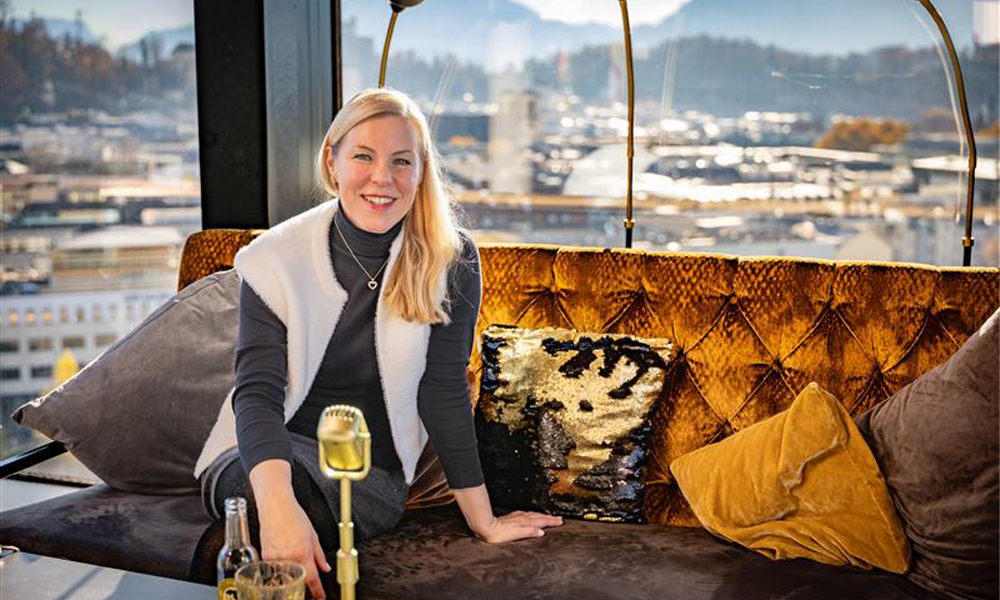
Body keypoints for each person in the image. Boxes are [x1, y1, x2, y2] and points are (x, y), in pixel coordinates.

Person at [194, 87, 562, 599]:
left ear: (421, 170)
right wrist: (279, 511)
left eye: (401, 161)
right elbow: (255, 394)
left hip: (367, 473)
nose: (382, 178)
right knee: (269, 512)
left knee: (242, 541)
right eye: (363, 156)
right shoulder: (275, 256)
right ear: (333, 160)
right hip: (258, 456)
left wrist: (486, 520)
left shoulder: (449, 260)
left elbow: (443, 394)